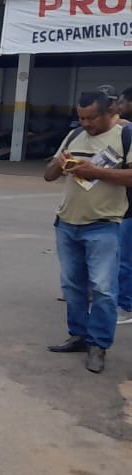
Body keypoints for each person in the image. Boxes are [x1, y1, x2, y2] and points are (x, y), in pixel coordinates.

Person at [45, 91, 132, 374]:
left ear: (109, 113)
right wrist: (59, 163)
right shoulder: (73, 137)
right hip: (67, 222)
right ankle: (79, 336)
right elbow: (48, 175)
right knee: (72, 287)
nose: (85, 123)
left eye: (91, 118)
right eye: (81, 118)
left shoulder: (125, 136)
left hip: (104, 224)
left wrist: (96, 172)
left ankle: (98, 345)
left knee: (104, 290)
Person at [113, 88, 132, 324]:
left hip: (129, 207)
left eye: (121, 101)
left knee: (124, 259)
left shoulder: (127, 131)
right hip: (123, 205)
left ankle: (125, 305)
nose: (118, 105)